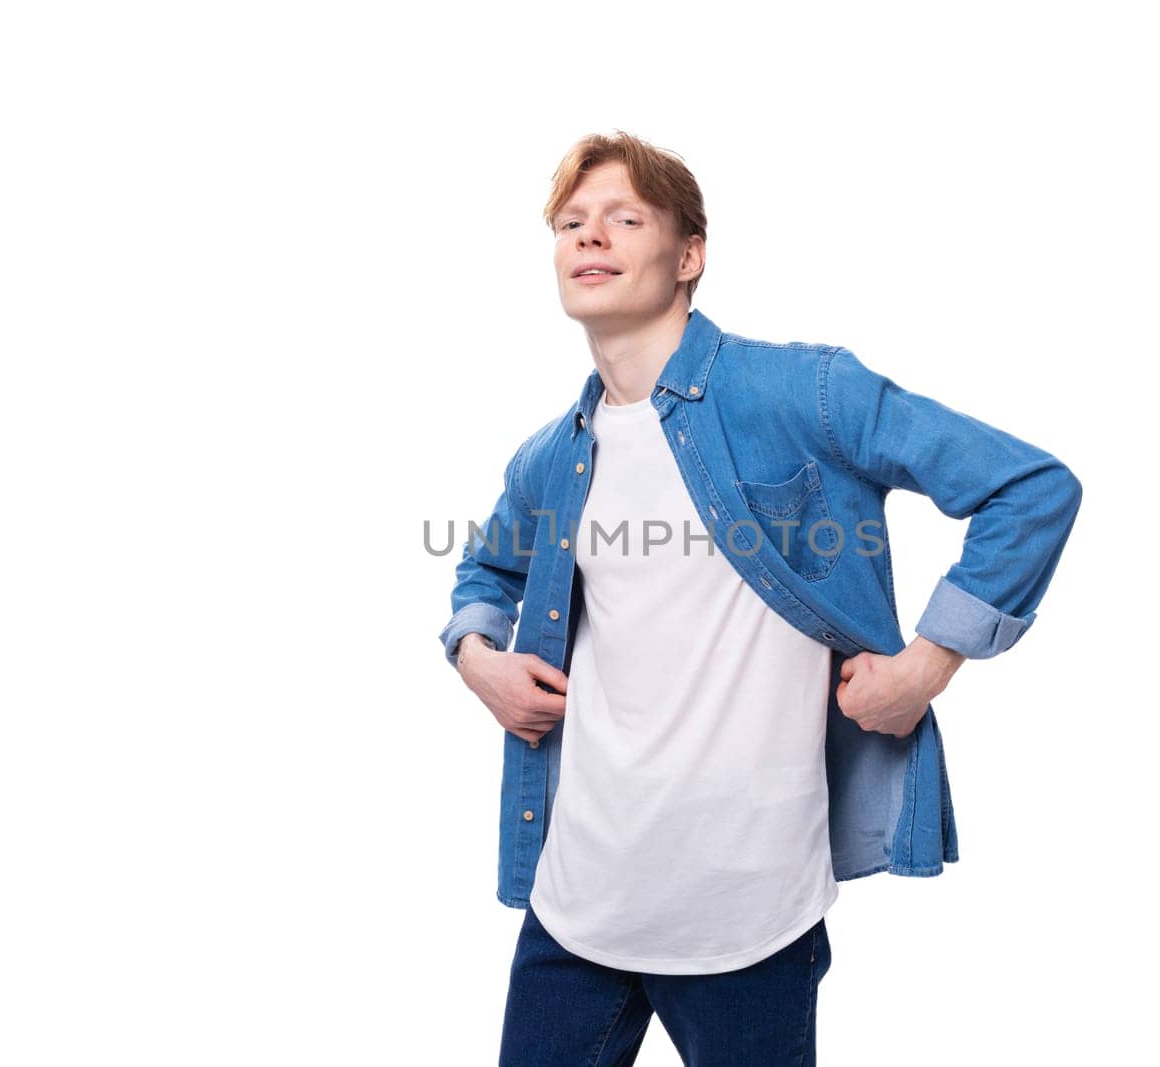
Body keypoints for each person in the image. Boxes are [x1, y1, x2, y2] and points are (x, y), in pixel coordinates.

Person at [437, 129, 1083, 1065]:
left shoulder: (801, 393)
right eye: (572, 223)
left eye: (625, 218)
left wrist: (928, 664)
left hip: (747, 917)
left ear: (688, 255)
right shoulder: (551, 455)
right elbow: (482, 577)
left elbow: (1030, 489)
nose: (590, 238)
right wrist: (477, 658)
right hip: (574, 906)